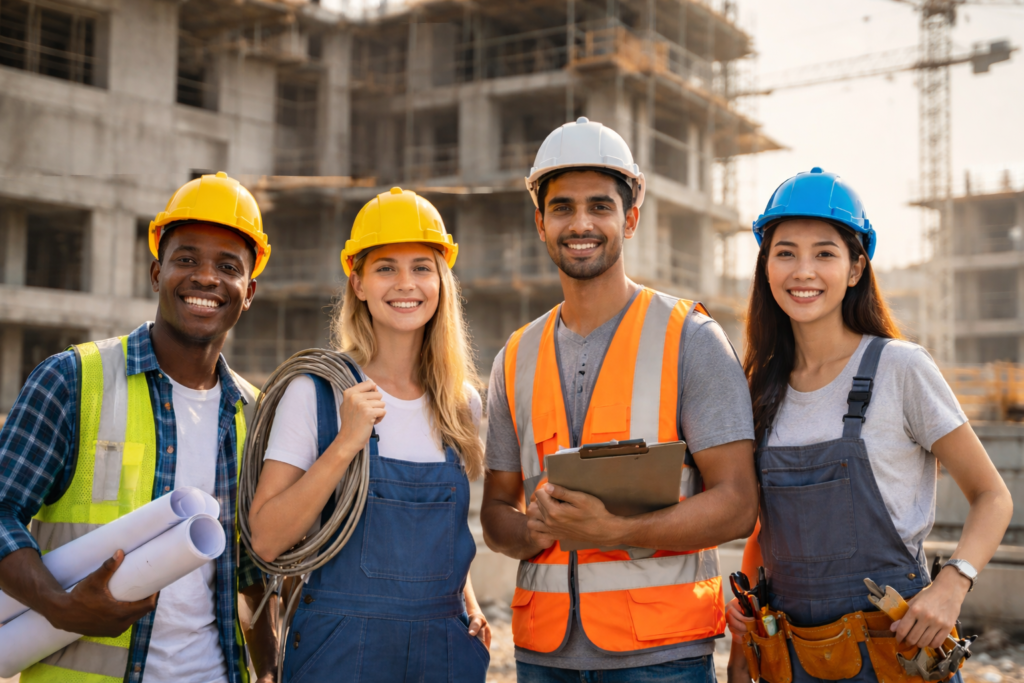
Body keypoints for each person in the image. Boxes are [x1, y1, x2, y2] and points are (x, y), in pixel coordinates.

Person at [479, 116, 759, 682]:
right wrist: (527, 530)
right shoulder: (515, 356)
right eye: (562, 207)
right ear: (540, 222)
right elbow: (495, 510)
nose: (581, 223)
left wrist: (619, 533)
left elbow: (738, 504)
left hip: (662, 659)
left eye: (600, 206)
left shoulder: (689, 339)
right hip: (543, 657)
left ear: (629, 218)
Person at [725, 168, 1014, 683]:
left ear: (857, 268)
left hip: (894, 651)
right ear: (765, 266)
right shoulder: (759, 387)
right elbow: (763, 527)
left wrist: (952, 585)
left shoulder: (900, 369)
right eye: (785, 252)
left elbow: (992, 496)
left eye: (825, 253)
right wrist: (744, 623)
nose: (803, 271)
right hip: (787, 657)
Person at [0, 172, 279, 683]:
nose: (205, 278)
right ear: (157, 274)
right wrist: (59, 606)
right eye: (187, 259)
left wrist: (270, 669)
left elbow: (253, 573)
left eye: (227, 266)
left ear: (249, 291)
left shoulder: (255, 414)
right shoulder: (72, 380)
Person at [247, 187, 491, 683]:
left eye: (422, 267)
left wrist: (469, 602)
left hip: (442, 649)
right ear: (357, 282)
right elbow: (267, 540)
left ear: (442, 281)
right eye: (386, 268)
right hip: (338, 649)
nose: (406, 283)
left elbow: (440, 536)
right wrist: (345, 444)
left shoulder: (461, 403)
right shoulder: (315, 392)